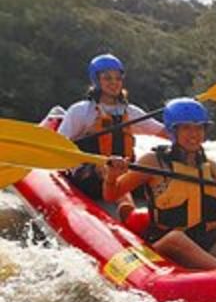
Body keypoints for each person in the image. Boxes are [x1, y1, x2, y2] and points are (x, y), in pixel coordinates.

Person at [103, 98, 216, 271]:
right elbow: (111, 195)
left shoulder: (210, 166)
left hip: (209, 243)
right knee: (176, 237)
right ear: (172, 131)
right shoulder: (153, 162)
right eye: (186, 127)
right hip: (168, 246)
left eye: (199, 127)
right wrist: (112, 175)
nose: (194, 134)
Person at [58, 54, 168, 214]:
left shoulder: (130, 111)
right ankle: (127, 209)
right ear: (97, 81)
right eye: (107, 78)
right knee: (107, 167)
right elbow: (61, 143)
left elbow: (163, 132)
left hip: (124, 172)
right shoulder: (81, 111)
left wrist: (185, 129)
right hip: (89, 175)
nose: (114, 83)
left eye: (118, 78)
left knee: (151, 163)